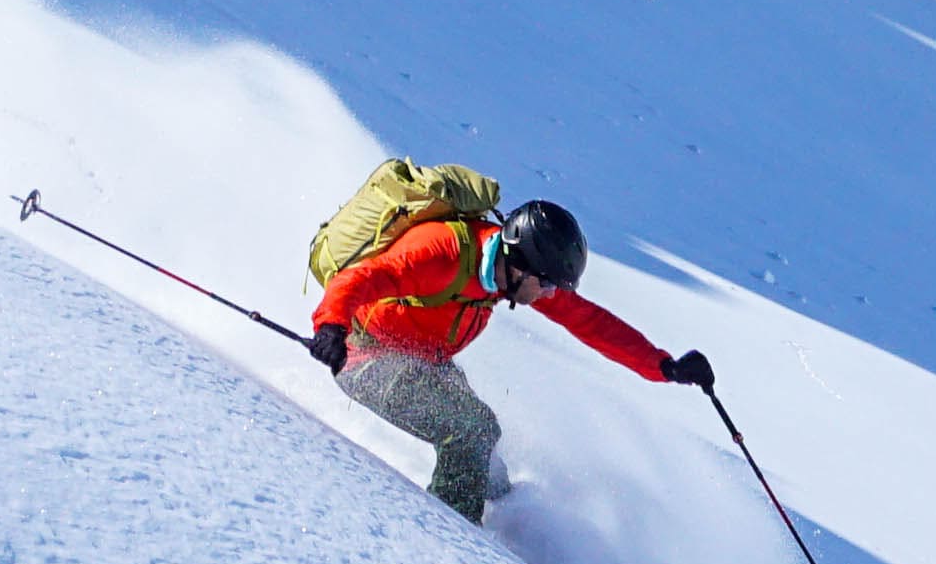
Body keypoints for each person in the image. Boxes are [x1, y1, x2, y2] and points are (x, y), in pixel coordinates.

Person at [303, 191, 714, 521]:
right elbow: (361, 277)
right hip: (363, 355)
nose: (551, 295)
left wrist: (663, 366)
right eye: (549, 285)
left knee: (485, 448)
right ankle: (451, 543)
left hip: (423, 361)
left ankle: (510, 519)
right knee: (472, 430)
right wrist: (331, 326)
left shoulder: (510, 276)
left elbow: (589, 321)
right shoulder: (443, 254)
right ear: (521, 267)